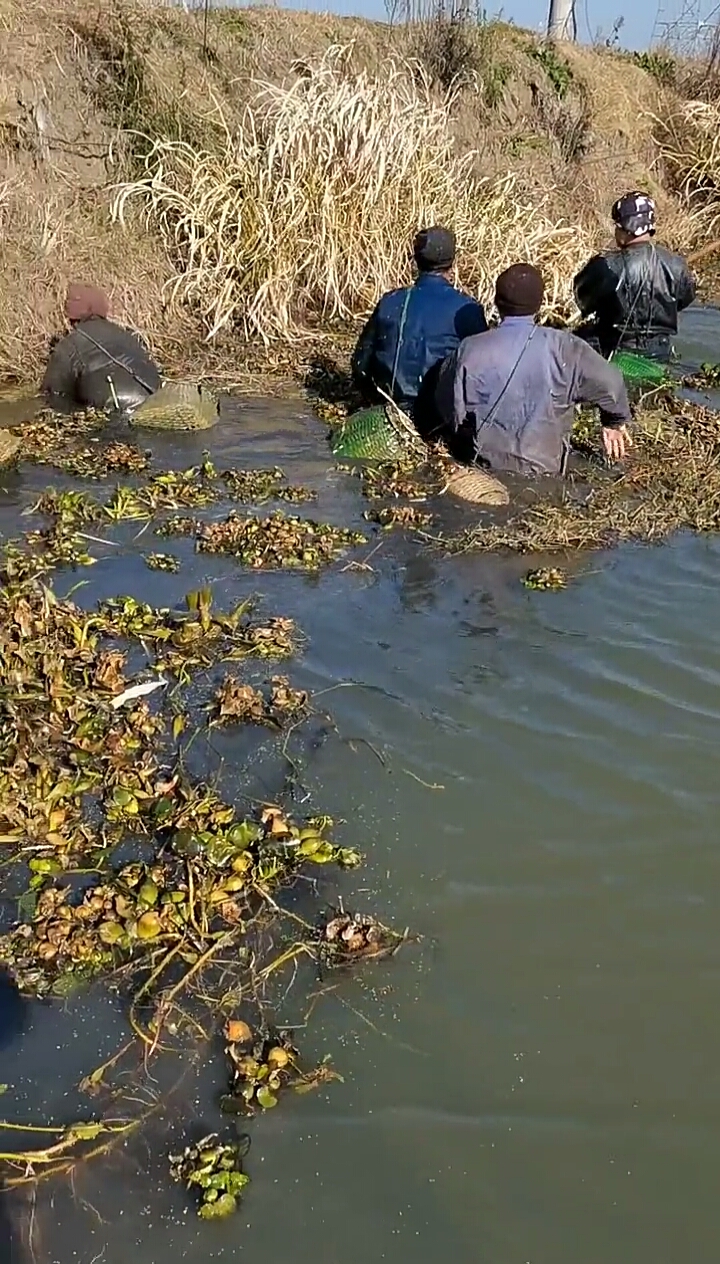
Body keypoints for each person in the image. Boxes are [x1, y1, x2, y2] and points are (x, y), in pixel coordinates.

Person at [435, 262, 632, 477]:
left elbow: (447, 405)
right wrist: (613, 421)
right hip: (545, 469)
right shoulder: (566, 348)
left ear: (496, 302)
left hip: (484, 471)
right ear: (539, 304)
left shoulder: (469, 349)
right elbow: (611, 381)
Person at [351, 227, 487, 434]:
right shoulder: (467, 310)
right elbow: (481, 377)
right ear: (453, 262)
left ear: (415, 260)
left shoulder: (390, 302)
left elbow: (360, 364)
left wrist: (368, 396)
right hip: (438, 421)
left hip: (390, 413)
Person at [573, 192, 695, 361]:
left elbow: (582, 297)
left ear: (626, 227)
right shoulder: (677, 265)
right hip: (660, 350)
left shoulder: (606, 264)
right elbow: (685, 298)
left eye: (617, 225)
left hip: (612, 347)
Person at [42, 284, 162, 411]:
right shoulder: (127, 334)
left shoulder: (70, 344)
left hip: (114, 406)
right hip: (153, 395)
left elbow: (53, 392)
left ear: (71, 315)